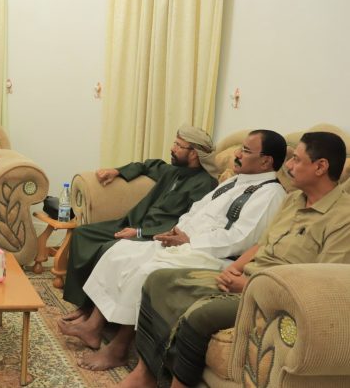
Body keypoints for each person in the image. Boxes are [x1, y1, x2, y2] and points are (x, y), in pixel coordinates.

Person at [121, 131, 350, 388]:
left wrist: (250, 286)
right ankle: (145, 373)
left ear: (320, 166)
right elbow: (261, 244)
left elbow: (323, 285)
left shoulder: (343, 217)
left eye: (296, 159)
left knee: (199, 315)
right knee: (158, 281)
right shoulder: (293, 199)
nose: (288, 165)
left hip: (273, 296)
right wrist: (235, 269)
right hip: (246, 278)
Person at [60, 130, 287, 371]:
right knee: (120, 252)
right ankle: (93, 326)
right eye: (240, 148)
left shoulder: (271, 194)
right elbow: (197, 210)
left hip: (214, 256)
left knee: (147, 271)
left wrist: (190, 240)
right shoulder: (234, 181)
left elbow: (240, 239)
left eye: (246, 151)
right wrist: (176, 231)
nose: (237, 154)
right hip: (186, 243)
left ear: (266, 161)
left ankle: (118, 349)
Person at [61, 125, 218, 318]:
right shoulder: (173, 171)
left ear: (194, 153)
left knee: (110, 248)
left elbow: (186, 223)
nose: (172, 148)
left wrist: (139, 233)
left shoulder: (205, 184)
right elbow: (148, 166)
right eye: (174, 143)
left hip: (153, 235)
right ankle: (82, 304)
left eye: (179, 145)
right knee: (82, 233)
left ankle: (96, 311)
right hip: (133, 223)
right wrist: (117, 171)